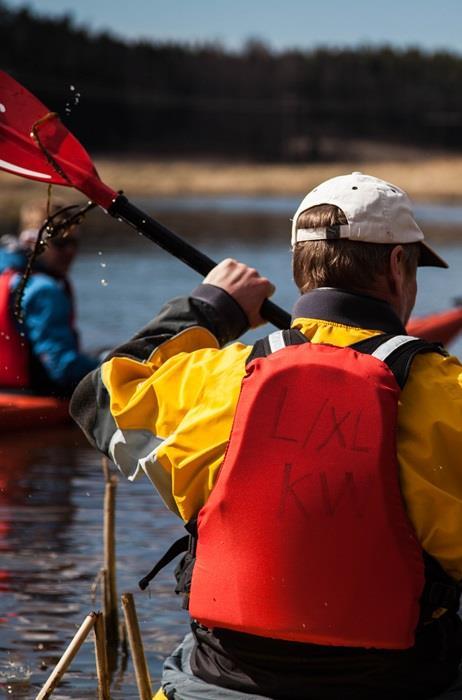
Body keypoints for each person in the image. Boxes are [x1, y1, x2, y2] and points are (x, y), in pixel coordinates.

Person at [70, 172, 462, 700]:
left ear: (302, 270)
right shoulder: (449, 395)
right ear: (397, 268)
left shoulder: (215, 379)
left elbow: (98, 395)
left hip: (217, 684)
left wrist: (214, 307)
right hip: (404, 682)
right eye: (413, 266)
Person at [0, 199, 98, 397]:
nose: (70, 252)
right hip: (33, 398)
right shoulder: (44, 291)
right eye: (61, 243)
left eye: (74, 243)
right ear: (32, 242)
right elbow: (63, 369)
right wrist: (109, 366)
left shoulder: (6, 275)